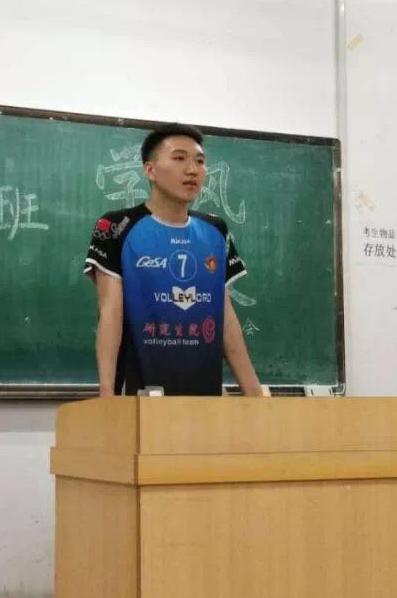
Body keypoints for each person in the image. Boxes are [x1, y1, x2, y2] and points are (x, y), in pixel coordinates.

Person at [84, 123, 264, 397]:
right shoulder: (116, 226)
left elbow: (225, 317)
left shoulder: (215, 230)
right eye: (179, 158)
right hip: (139, 395)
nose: (192, 170)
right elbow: (110, 313)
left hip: (206, 396)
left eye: (199, 161)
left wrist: (254, 394)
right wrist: (107, 394)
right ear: (150, 170)